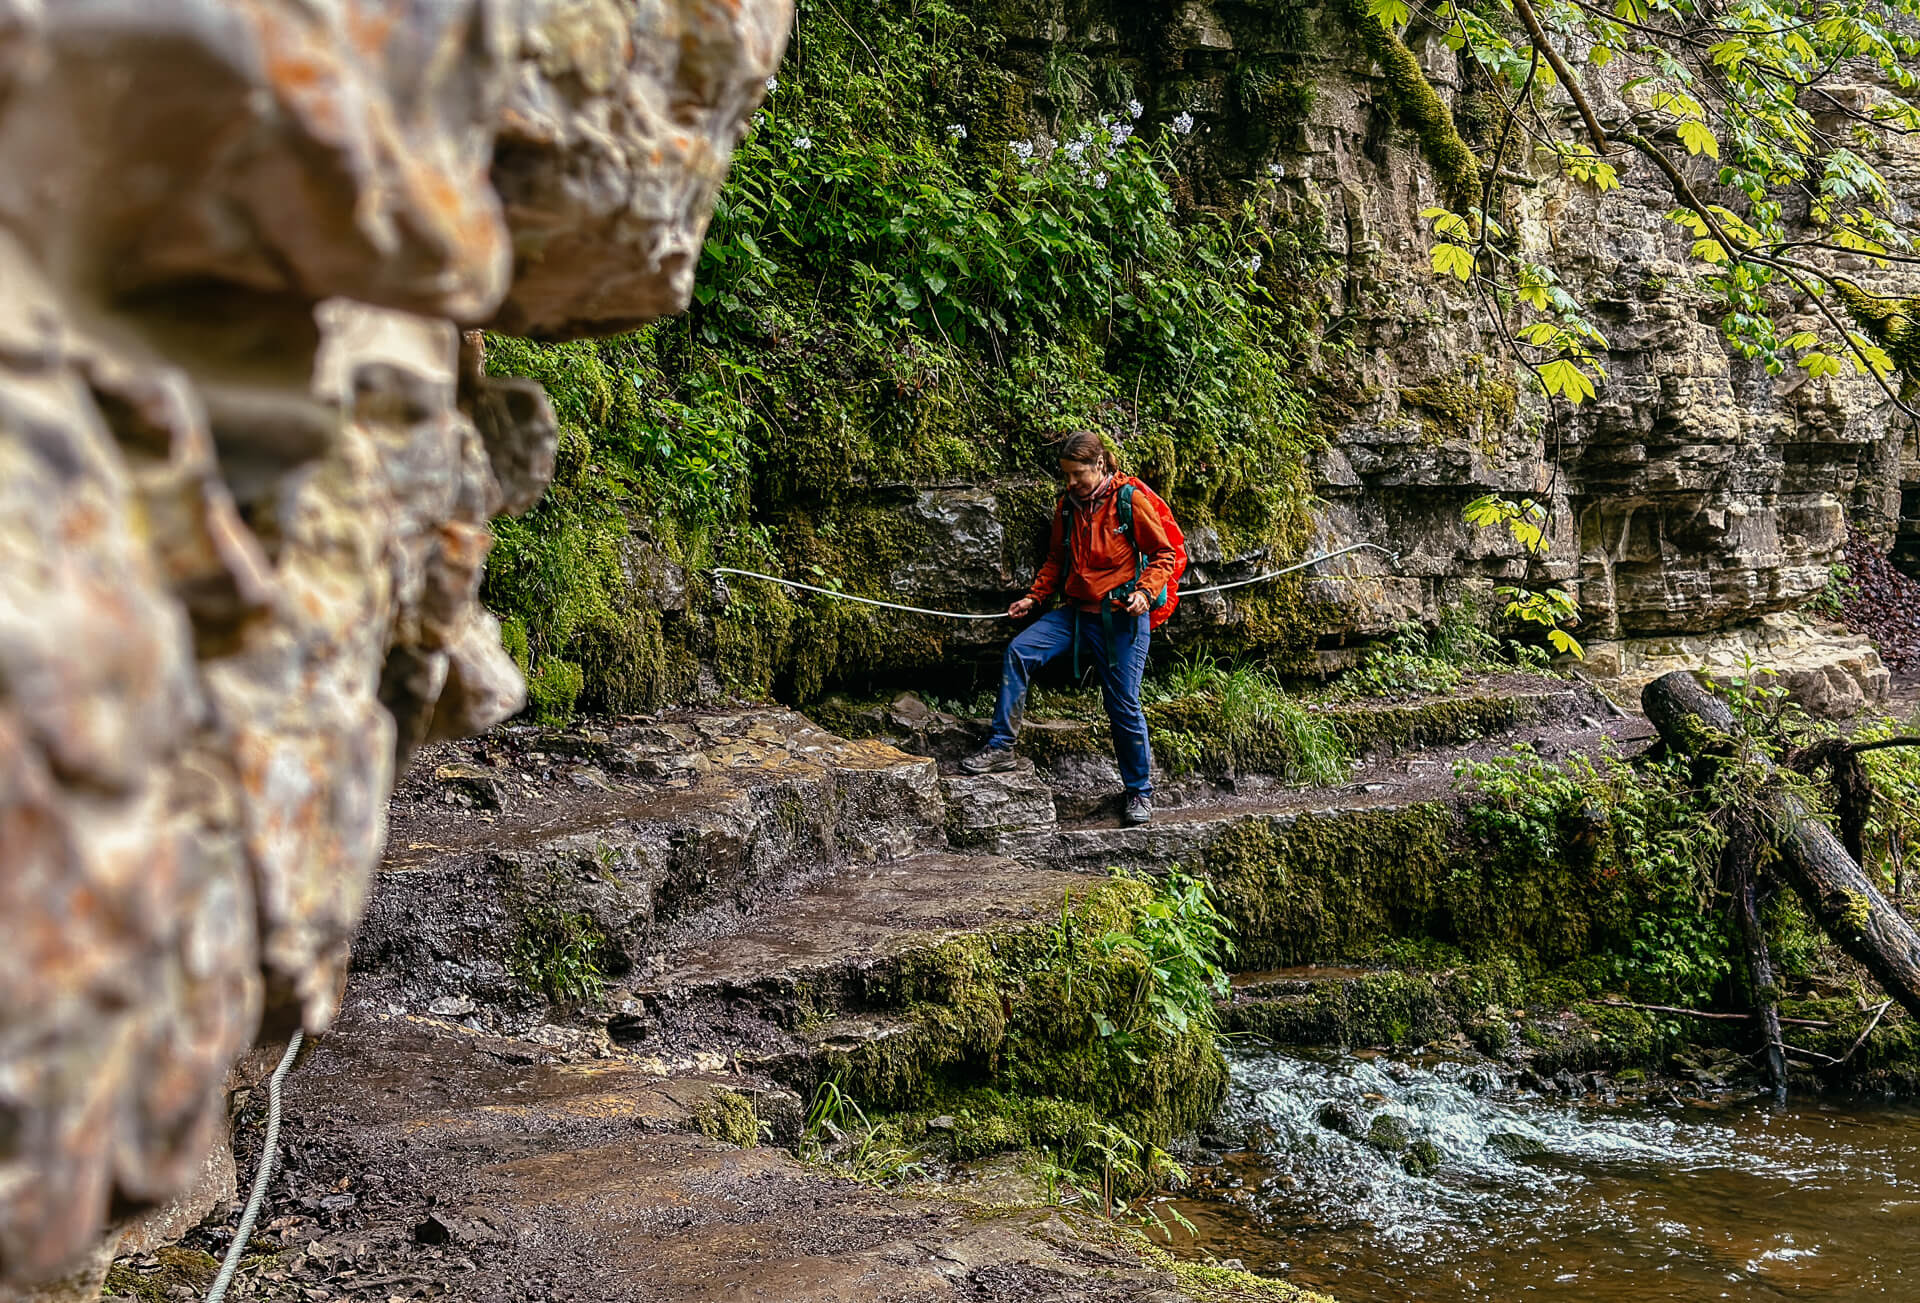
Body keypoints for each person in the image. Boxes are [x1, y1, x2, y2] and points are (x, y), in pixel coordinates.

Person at [961, 431, 1183, 824]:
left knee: (1123, 705)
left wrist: (1145, 594)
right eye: (1066, 475)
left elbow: (1164, 554)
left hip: (1121, 619)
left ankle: (1140, 793)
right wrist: (1034, 597)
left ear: (1100, 465)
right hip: (1076, 615)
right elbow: (1055, 558)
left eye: (1078, 474)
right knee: (1020, 651)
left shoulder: (1129, 501)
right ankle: (1001, 747)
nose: (1071, 483)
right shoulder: (1067, 506)